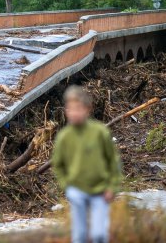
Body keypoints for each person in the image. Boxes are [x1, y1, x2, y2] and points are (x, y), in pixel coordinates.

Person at [52, 85, 122, 243]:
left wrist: (112, 187)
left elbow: (113, 161)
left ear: (87, 109)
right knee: (80, 235)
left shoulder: (99, 132)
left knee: (99, 235)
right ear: (66, 111)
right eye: (70, 109)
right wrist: (66, 185)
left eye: (78, 108)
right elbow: (59, 164)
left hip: (100, 190)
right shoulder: (64, 137)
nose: (74, 113)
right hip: (77, 191)